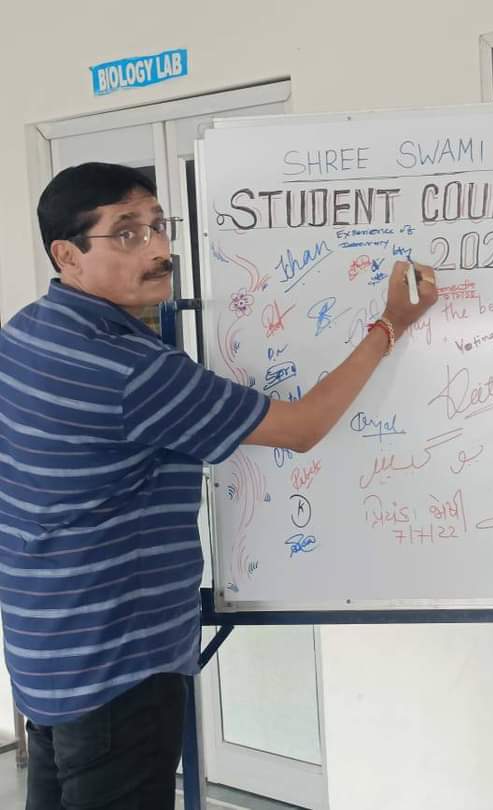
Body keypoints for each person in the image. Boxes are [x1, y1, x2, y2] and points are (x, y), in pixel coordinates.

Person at [0, 161, 437, 809]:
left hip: (44, 652)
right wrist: (391, 324)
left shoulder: (25, 332)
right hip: (120, 667)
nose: (158, 248)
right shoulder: (134, 371)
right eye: (127, 233)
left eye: (159, 225)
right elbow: (301, 428)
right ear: (67, 255)